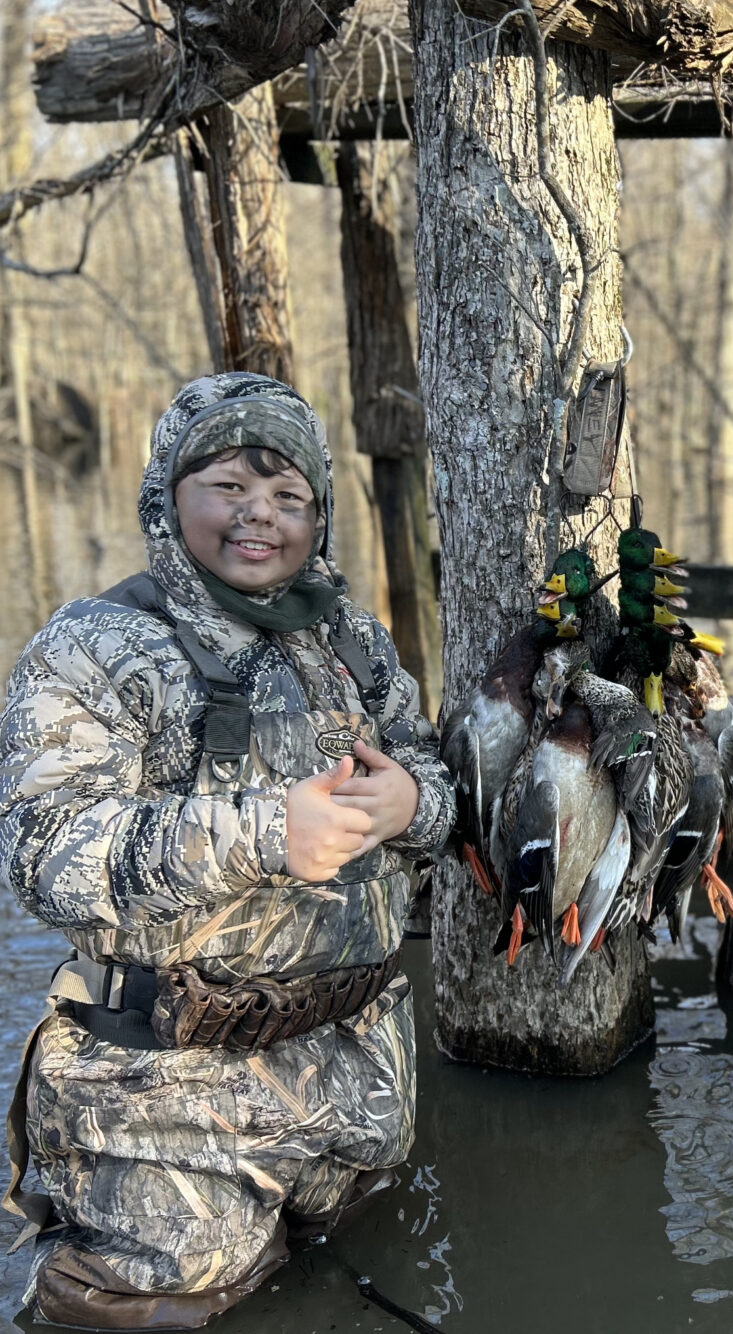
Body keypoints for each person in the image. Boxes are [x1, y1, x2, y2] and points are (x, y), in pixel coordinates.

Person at [0, 373, 456, 1329]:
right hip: (168, 1100)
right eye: (229, 489)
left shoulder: (352, 643)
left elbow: (436, 781)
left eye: (291, 498)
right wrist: (263, 832)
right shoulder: (91, 648)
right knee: (139, 1309)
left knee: (348, 1274)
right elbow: (42, 854)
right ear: (167, 494)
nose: (262, 518)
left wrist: (411, 801)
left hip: (358, 1075)